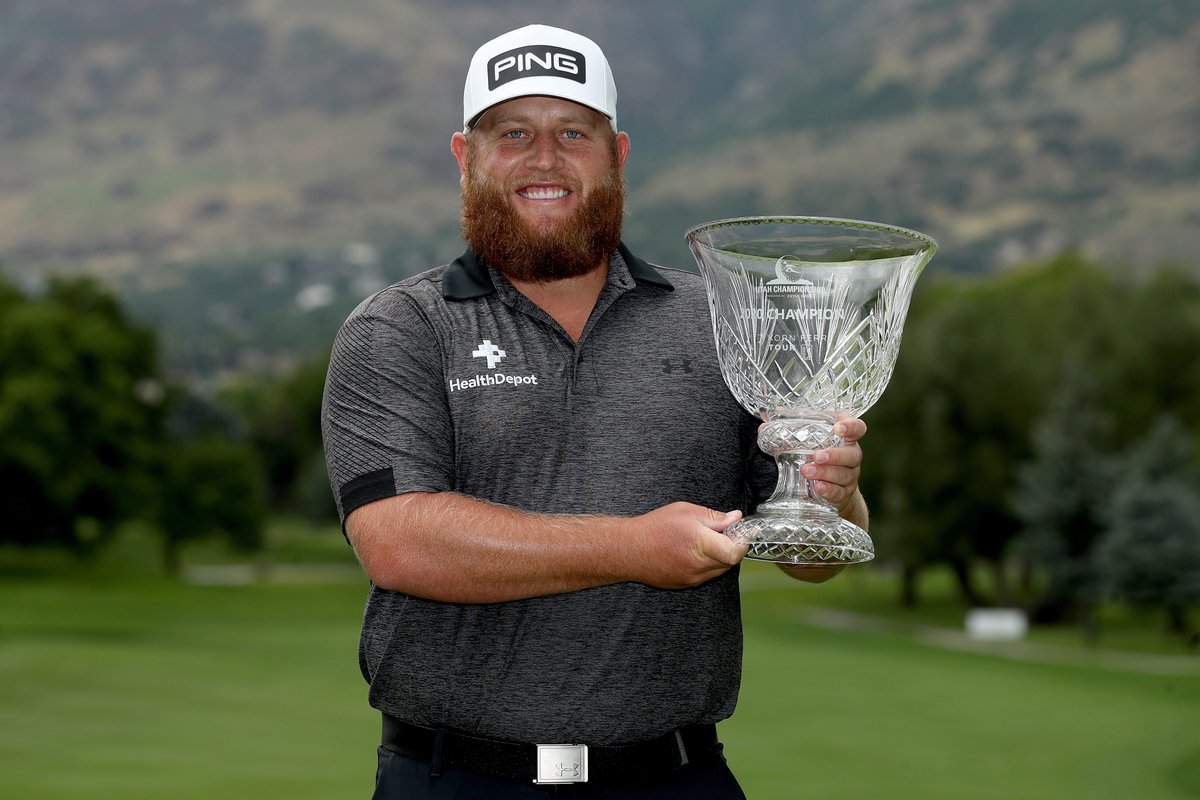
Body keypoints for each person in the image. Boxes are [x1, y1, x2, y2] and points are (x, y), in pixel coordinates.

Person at [321, 23, 869, 799]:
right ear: (464, 156)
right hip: (456, 779)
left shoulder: (722, 318)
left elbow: (809, 557)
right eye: (513, 133)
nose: (544, 159)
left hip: (677, 777)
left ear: (617, 154)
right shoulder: (402, 328)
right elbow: (399, 544)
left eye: (573, 133)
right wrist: (631, 549)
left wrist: (835, 494)